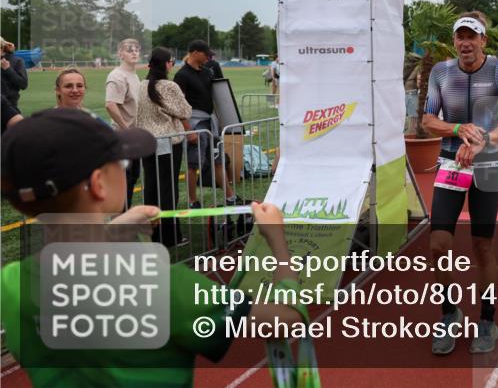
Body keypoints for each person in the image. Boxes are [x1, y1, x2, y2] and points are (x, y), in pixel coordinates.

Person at [0, 108, 304, 387]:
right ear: (98, 185)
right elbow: (284, 321)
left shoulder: (12, 282)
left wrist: (113, 230)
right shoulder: (165, 285)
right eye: (120, 162)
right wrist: (277, 243)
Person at [422, 11, 498, 355]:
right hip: (450, 163)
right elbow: (427, 121)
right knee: (437, 244)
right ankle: (450, 312)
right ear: (455, 41)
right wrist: (455, 129)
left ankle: (487, 319)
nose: (465, 42)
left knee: (482, 247)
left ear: (483, 40)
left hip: (486, 164)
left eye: (471, 36)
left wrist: (484, 140)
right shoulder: (441, 72)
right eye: (459, 36)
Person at [136, 47, 193, 247]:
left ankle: (153, 233)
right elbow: (185, 110)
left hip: (146, 141)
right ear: (166, 64)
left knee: (151, 188)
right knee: (168, 190)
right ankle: (170, 236)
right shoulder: (168, 86)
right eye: (171, 61)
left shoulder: (142, 85)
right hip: (167, 141)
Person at [174, 40, 241, 209]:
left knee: (218, 161)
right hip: (195, 125)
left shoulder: (208, 72)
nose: (208, 57)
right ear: (195, 52)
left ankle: (230, 196)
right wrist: (189, 131)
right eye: (206, 54)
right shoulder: (182, 75)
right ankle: (192, 201)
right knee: (192, 165)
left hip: (210, 124)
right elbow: (179, 106)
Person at [105, 38, 143, 208]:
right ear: (120, 53)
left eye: (136, 49)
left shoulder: (133, 75)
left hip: (133, 137)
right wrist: (127, 129)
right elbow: (110, 105)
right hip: (123, 137)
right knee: (123, 183)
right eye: (129, 49)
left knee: (132, 178)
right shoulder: (117, 75)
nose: (134, 52)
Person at [1, 37, 28, 113]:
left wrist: (8, 69)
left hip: (10, 107)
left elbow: (23, 84)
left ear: (2, 48)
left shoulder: (17, 61)